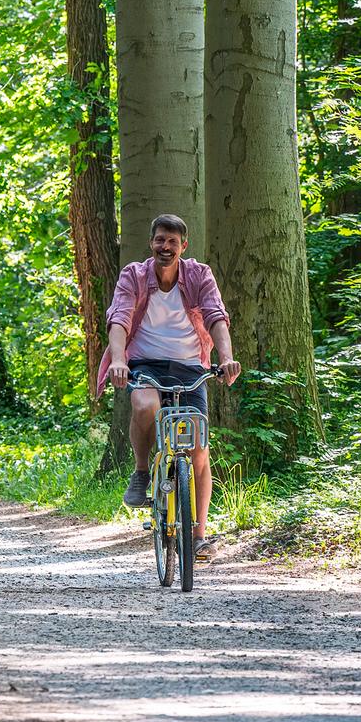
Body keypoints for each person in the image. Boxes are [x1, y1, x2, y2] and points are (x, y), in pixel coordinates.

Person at [99, 213, 242, 558]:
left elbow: (216, 316)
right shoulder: (133, 276)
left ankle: (198, 535)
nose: (166, 247)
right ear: (151, 243)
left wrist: (225, 358)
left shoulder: (198, 275)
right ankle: (141, 470)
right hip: (145, 364)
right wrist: (119, 360)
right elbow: (119, 318)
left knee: (199, 451)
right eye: (160, 240)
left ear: (183, 246)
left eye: (172, 242)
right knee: (145, 405)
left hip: (191, 367)